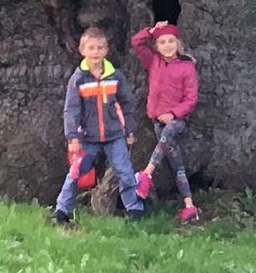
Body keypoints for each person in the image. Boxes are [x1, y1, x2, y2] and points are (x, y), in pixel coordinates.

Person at [52, 26, 143, 225]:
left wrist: (129, 129)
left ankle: (134, 209)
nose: (95, 52)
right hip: (87, 137)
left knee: (125, 172)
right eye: (91, 48)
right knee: (76, 173)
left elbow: (127, 104)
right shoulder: (78, 79)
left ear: (106, 50)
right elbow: (71, 109)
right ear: (82, 50)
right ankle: (62, 210)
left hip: (115, 135)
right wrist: (72, 137)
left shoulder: (115, 76)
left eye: (100, 48)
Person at [131, 20, 200, 223]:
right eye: (162, 42)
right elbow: (136, 42)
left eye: (171, 41)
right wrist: (151, 31)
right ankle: (190, 206)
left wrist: (173, 113)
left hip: (177, 120)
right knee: (176, 163)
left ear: (178, 43)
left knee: (169, 132)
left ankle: (146, 174)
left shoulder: (187, 67)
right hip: (157, 120)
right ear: (156, 46)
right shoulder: (153, 62)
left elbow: (191, 99)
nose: (167, 45)